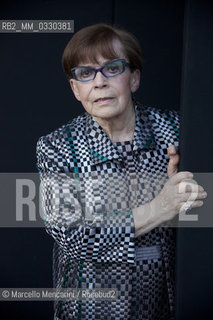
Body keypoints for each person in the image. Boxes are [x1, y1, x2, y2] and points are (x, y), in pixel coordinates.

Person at [36, 23, 207, 320]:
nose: (99, 82)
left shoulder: (180, 132)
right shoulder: (57, 146)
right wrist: (160, 207)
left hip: (162, 306)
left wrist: (186, 205)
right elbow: (72, 233)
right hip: (87, 307)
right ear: (76, 89)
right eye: (85, 73)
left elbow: (201, 222)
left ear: (134, 78)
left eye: (112, 68)